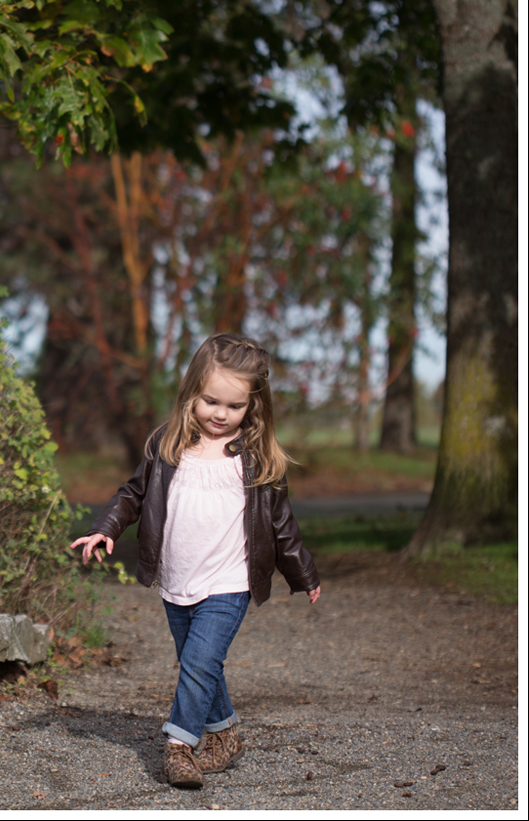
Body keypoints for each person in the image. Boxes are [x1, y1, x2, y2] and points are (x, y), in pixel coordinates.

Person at [70, 332, 321, 790]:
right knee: (199, 663)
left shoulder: (257, 458)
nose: (221, 414)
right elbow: (133, 495)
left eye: (235, 406)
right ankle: (224, 736)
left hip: (230, 580)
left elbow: (281, 524)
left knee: (198, 664)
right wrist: (103, 528)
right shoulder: (168, 446)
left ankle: (179, 745)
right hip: (177, 579)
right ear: (191, 393)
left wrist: (302, 572)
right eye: (211, 401)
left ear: (253, 406)